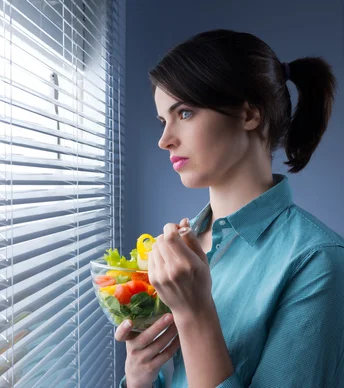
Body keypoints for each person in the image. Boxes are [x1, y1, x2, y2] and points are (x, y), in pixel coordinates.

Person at [116, 29, 343, 388]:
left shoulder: (318, 262)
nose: (164, 140)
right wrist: (138, 378)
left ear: (250, 113)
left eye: (185, 113)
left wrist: (194, 314)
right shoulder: (180, 249)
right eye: (163, 121)